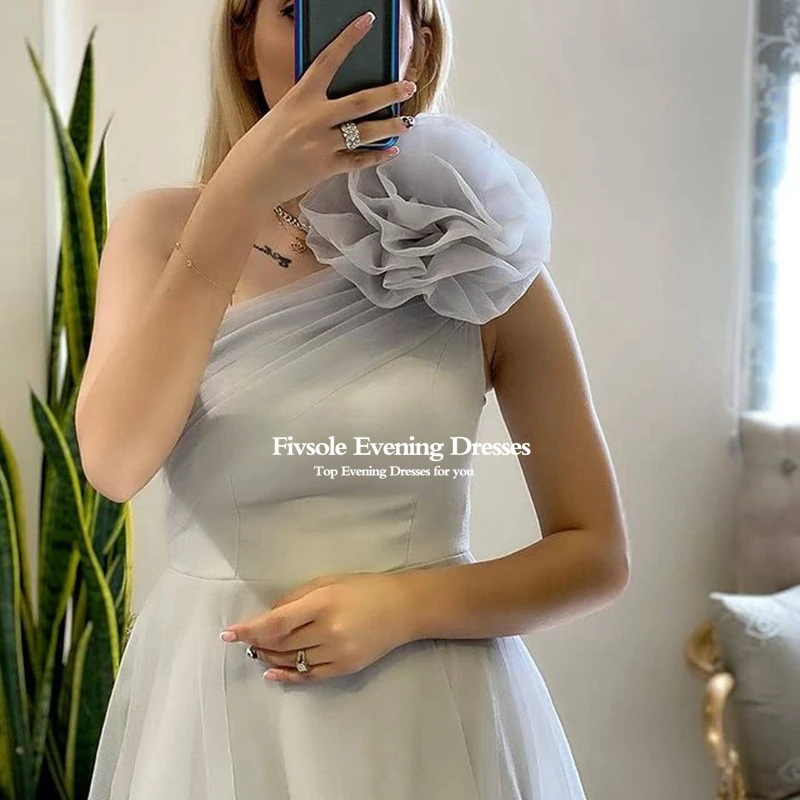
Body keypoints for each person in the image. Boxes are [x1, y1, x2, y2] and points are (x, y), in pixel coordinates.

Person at [77, 0, 630, 797]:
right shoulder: (160, 230)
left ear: (419, 46)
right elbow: (114, 463)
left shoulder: (478, 250)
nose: (333, 39)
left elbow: (595, 552)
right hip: (215, 708)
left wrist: (405, 606)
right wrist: (234, 202)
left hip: (432, 711)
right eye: (295, 10)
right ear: (242, 43)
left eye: (369, 8)